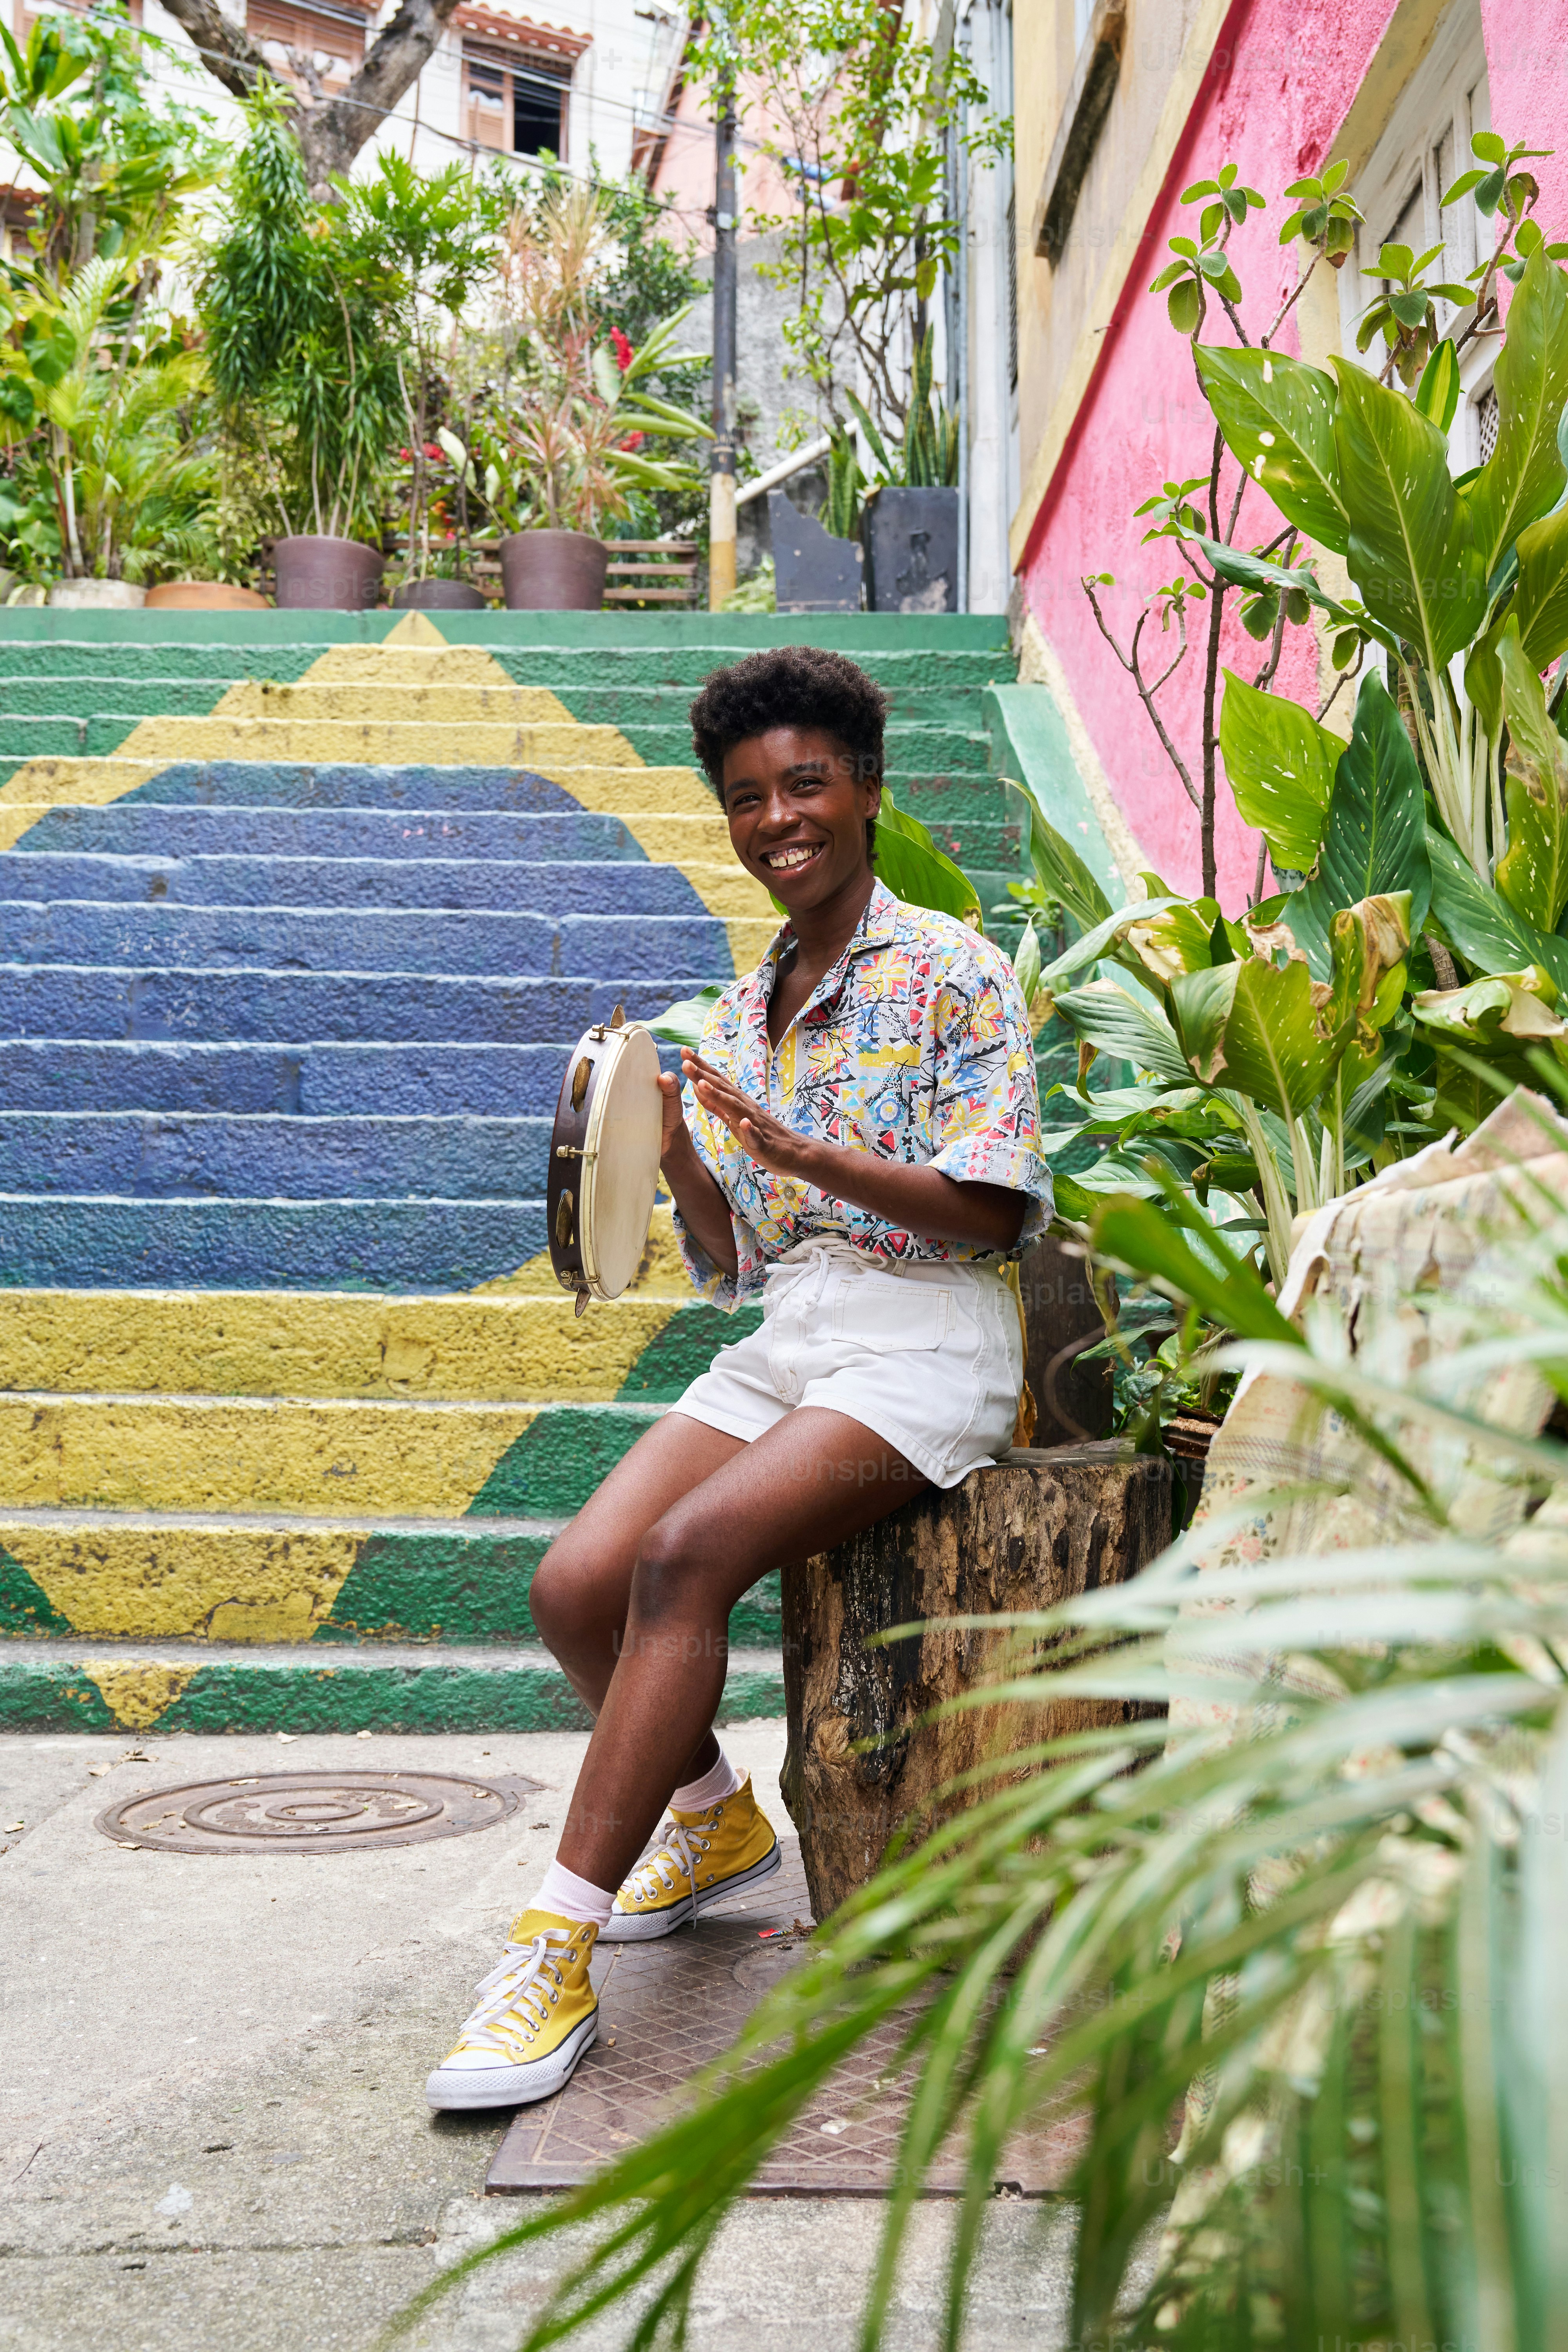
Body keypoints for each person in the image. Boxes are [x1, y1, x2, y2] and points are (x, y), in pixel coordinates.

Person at [426, 644, 1052, 2110]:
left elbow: (1001, 1208)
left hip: (929, 1336)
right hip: (799, 1331)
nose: (781, 818)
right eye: (749, 797)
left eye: (807, 784)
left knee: (683, 1558)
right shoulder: (735, 1010)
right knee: (575, 1587)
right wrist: (685, 1161)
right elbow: (729, 1257)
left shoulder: (954, 970)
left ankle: (551, 1954)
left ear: (868, 790)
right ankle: (709, 1822)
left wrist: (816, 1156)